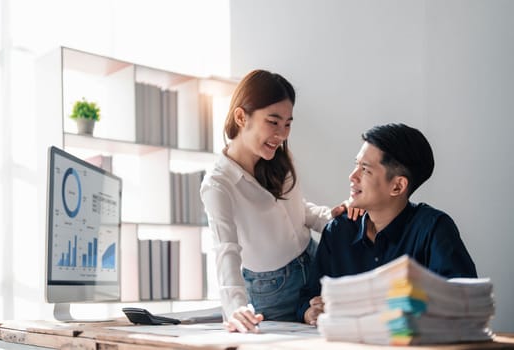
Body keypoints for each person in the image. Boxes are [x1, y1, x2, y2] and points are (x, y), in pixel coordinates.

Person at [200, 69, 357, 333]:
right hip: (272, 290)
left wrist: (330, 216)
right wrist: (236, 308)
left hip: (315, 261)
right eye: (273, 122)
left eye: (287, 123)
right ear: (241, 116)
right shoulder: (218, 184)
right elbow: (225, 249)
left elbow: (297, 210)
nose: (282, 133)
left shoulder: (276, 160)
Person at [298, 123, 477, 325]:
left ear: (397, 186)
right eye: (356, 164)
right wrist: (309, 312)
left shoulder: (433, 229)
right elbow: (308, 296)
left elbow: (462, 299)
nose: (352, 176)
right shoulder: (340, 229)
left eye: (365, 170)